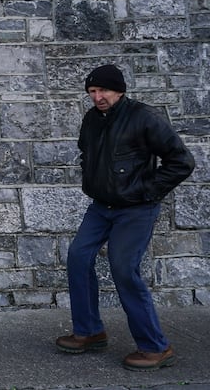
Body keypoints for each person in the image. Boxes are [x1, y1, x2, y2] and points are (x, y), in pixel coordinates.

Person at [55, 64, 195, 371]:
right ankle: (89, 331)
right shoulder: (92, 119)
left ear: (119, 90)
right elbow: (86, 153)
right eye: (92, 92)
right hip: (101, 206)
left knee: (123, 269)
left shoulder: (143, 117)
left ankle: (155, 347)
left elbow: (181, 161)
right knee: (78, 257)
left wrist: (146, 190)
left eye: (103, 90)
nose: (97, 97)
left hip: (136, 209)